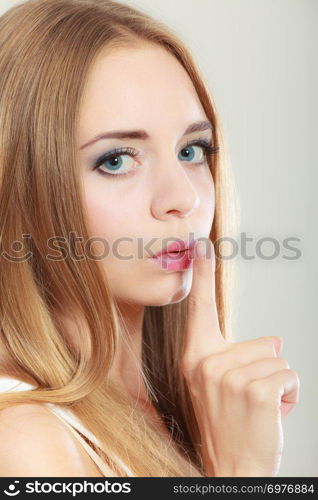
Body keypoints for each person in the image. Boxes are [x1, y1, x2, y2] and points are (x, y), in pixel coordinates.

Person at [0, 0, 299, 478]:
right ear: (18, 187)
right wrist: (243, 472)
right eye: (116, 160)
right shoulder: (24, 439)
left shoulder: (181, 407)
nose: (183, 197)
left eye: (191, 150)